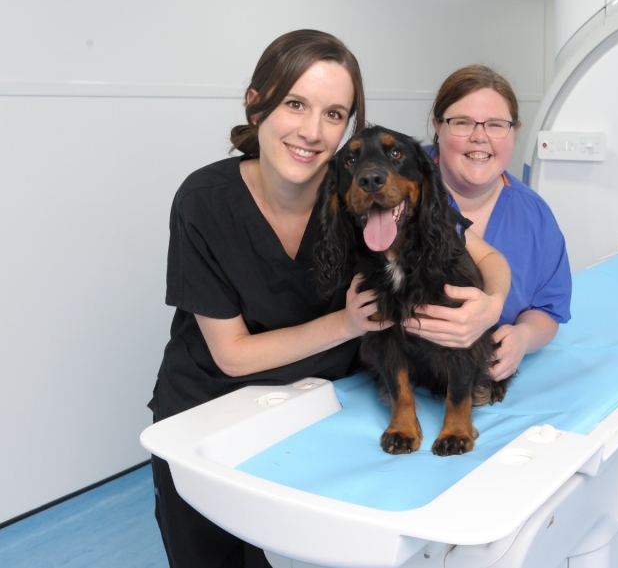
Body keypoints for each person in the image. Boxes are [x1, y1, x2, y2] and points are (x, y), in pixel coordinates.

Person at [149, 31, 510, 568]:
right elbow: (232, 354)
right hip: (210, 413)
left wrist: (493, 305)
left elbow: (483, 255)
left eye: (334, 114)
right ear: (256, 103)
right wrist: (348, 323)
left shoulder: (360, 189)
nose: (313, 131)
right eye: (296, 104)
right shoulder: (205, 202)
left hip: (322, 415)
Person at [423, 65, 571, 381]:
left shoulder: (535, 217)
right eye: (462, 123)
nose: (480, 137)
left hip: (487, 384)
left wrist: (523, 338)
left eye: (496, 125)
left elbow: (548, 309)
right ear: (438, 126)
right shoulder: (401, 189)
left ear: (514, 131)